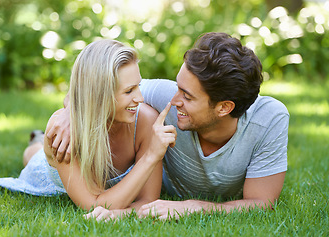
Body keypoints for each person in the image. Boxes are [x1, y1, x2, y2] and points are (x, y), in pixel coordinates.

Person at [46, 32, 289, 220]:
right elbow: (97, 84)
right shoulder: (164, 95)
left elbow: (261, 202)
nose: (174, 100)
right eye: (177, 87)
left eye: (187, 96)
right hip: (90, 165)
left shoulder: (268, 120)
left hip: (125, 176)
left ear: (224, 107)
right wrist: (69, 112)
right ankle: (37, 143)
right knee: (41, 154)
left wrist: (192, 207)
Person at [0, 39, 177, 220]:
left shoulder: (146, 120)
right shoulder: (64, 132)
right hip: (51, 178)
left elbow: (149, 202)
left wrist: (119, 214)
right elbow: (94, 205)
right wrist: (151, 155)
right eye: (128, 91)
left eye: (138, 86)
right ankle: (37, 142)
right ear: (99, 94)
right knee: (33, 156)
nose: (140, 98)